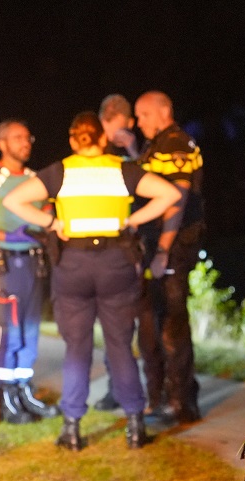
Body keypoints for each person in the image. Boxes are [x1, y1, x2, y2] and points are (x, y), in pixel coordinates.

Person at [3, 112, 180, 450]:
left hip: (73, 264)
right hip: (116, 263)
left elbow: (13, 200)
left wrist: (51, 223)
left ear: (73, 141)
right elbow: (169, 195)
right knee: (119, 347)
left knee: (77, 349)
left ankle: (71, 428)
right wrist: (131, 220)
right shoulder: (121, 169)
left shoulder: (61, 171)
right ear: (101, 139)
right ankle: (135, 426)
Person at [0, 119, 60, 424]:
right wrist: (6, 236)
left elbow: (46, 215)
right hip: (5, 261)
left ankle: (24, 392)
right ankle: (5, 397)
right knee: (10, 329)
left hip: (33, 261)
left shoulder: (34, 178)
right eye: (17, 138)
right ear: (2, 143)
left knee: (30, 331)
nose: (25, 143)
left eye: (27, 137)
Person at [133, 91, 205, 424]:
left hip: (173, 245)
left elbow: (175, 200)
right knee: (156, 320)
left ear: (163, 111)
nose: (138, 122)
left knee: (173, 324)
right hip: (157, 245)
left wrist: (163, 249)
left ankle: (182, 403)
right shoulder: (158, 144)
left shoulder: (175, 143)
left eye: (143, 115)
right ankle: (166, 396)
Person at [93, 94, 141, 412]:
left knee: (124, 326)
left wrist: (134, 150)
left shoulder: (134, 152)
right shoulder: (93, 150)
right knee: (111, 325)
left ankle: (127, 390)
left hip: (127, 247)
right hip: (99, 250)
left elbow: (145, 185)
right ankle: (117, 389)